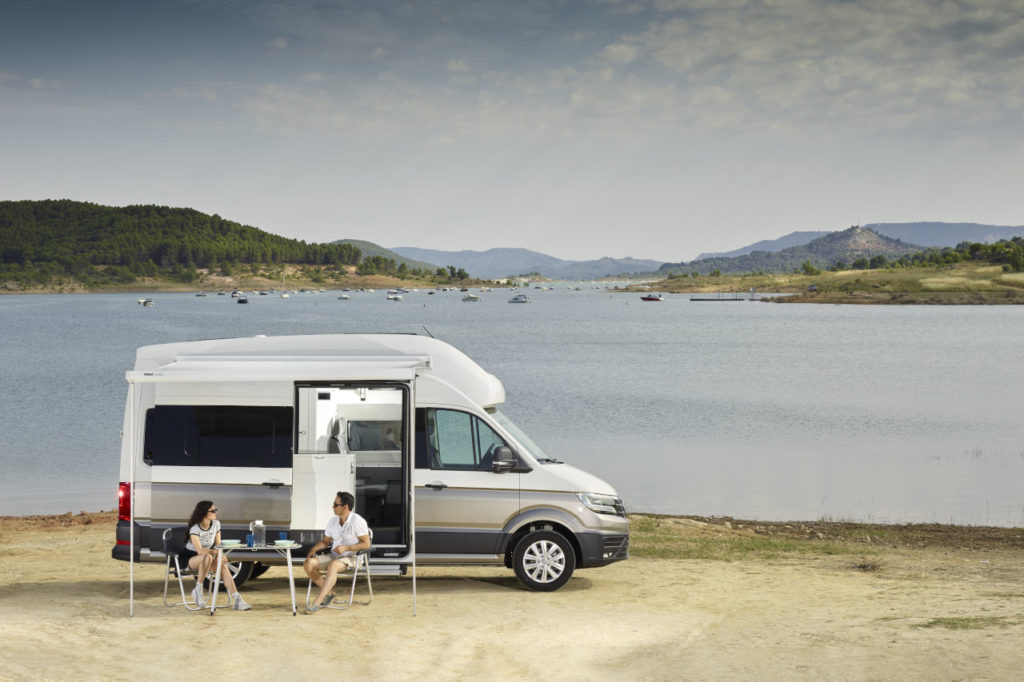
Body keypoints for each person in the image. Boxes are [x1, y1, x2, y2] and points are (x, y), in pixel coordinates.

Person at [302, 491, 371, 614]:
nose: (332, 507)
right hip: (334, 555)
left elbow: (366, 544)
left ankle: (318, 601)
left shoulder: (357, 521)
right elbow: (325, 541)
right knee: (308, 563)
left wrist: (347, 548)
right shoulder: (333, 521)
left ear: (345, 507)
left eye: (335, 505)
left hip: (352, 557)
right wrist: (315, 548)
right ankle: (330, 593)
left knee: (333, 565)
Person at [181, 500, 251, 611]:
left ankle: (237, 599)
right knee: (207, 557)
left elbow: (218, 544)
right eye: (212, 510)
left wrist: (220, 555)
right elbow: (199, 551)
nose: (215, 512)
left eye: (215, 510)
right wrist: (215, 552)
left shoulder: (216, 524)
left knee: (222, 565)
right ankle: (198, 590)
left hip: (207, 557)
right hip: (191, 558)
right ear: (203, 513)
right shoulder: (195, 529)